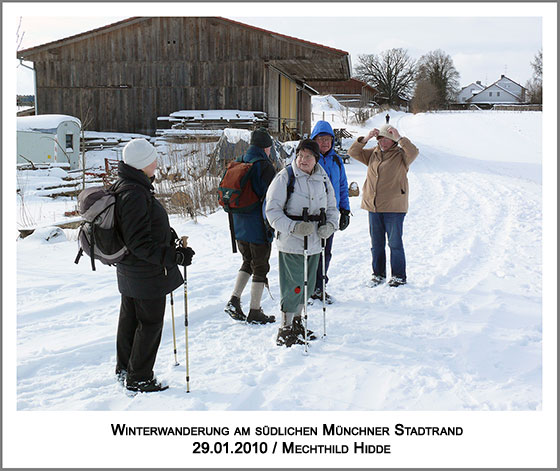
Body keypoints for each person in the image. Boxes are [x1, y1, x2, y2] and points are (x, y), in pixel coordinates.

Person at [113, 138, 195, 393]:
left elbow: (141, 230)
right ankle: (139, 377)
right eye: (152, 158)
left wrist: (169, 239)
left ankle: (126, 369)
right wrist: (175, 257)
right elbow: (139, 242)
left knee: (130, 321)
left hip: (131, 270)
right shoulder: (135, 193)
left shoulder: (128, 185)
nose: (156, 162)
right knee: (148, 324)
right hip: (145, 273)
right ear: (142, 163)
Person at [265, 139, 338, 347]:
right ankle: (285, 328)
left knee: (307, 285)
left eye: (308, 156)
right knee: (293, 286)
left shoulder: (323, 178)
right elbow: (272, 212)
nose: (303, 160)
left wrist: (330, 226)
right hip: (291, 242)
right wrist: (293, 227)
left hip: (315, 242)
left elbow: (332, 207)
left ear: (316, 159)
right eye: (300, 155)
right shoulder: (285, 177)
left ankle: (298, 323)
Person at [347, 124, 418, 287]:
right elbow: (353, 152)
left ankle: (399, 276)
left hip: (394, 207)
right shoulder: (373, 153)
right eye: (380, 138)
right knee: (376, 244)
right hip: (374, 206)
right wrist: (366, 139)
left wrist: (400, 137)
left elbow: (414, 152)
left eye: (386, 138)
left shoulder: (402, 155)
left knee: (394, 243)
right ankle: (378, 274)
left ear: (393, 140)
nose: (382, 142)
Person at [224, 128, 277, 324]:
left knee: (247, 262)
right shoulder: (264, 166)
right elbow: (271, 198)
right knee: (260, 267)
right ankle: (255, 311)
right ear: (266, 147)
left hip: (238, 226)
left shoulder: (239, 160)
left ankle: (234, 300)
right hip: (258, 227)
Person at [309, 121, 351, 304]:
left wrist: (345, 210)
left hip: (330, 213)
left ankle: (320, 286)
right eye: (321, 139)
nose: (325, 143)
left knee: (326, 251)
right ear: (314, 139)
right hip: (310, 213)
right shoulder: (309, 158)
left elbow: (342, 186)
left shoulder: (336, 160)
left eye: (328, 139)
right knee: (311, 252)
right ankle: (309, 286)